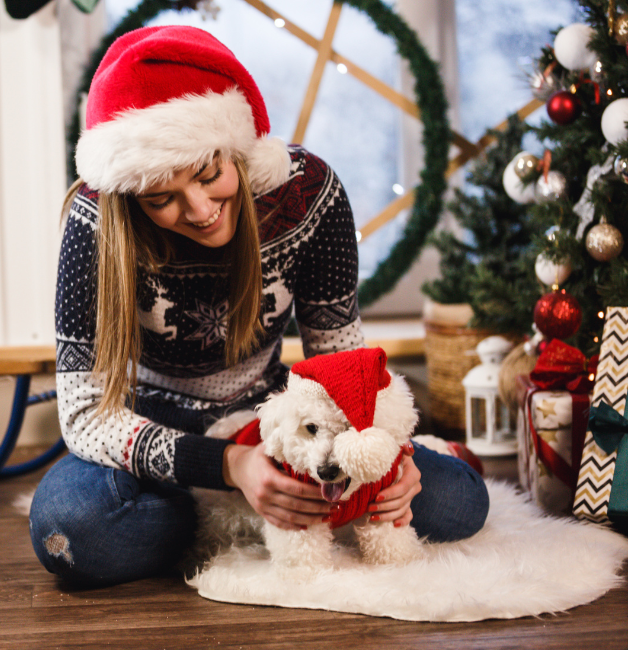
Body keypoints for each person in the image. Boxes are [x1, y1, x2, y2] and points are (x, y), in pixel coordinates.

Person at [29, 25, 489, 588]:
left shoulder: (309, 195)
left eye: (209, 175)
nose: (198, 210)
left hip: (271, 422)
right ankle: (227, 510)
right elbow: (84, 416)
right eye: (161, 199)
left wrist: (391, 459)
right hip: (145, 427)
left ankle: (229, 519)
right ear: (129, 195)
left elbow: (342, 366)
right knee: (69, 529)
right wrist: (226, 469)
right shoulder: (93, 223)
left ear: (240, 151)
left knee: (459, 506)